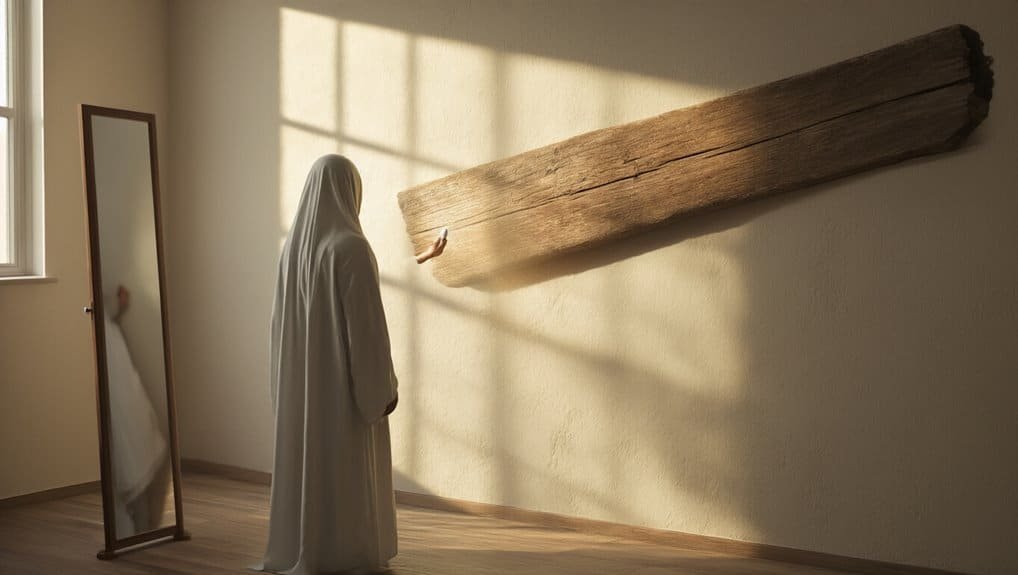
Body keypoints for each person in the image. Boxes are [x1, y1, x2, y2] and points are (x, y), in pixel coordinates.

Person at [256, 154, 444, 575]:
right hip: (341, 395)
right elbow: (368, 332)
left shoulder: (293, 254)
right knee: (344, 471)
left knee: (314, 470)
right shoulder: (351, 248)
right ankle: (345, 551)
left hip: (304, 394)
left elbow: (277, 332)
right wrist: (382, 393)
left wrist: (282, 394)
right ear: (349, 192)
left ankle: (312, 549)